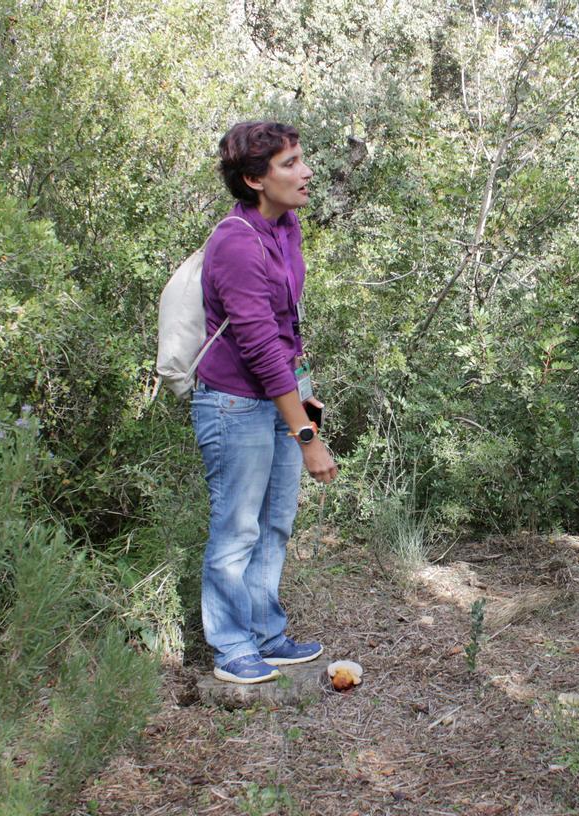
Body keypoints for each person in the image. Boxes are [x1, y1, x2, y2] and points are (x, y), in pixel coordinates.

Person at [193, 121, 339, 685]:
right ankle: (232, 648)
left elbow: (284, 324)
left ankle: (265, 634)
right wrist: (308, 436)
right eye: (289, 164)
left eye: (301, 159)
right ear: (254, 179)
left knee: (275, 523)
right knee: (236, 528)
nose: (305, 172)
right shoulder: (234, 242)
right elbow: (254, 346)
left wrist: (303, 388)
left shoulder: (286, 225)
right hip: (233, 405)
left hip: (280, 396)